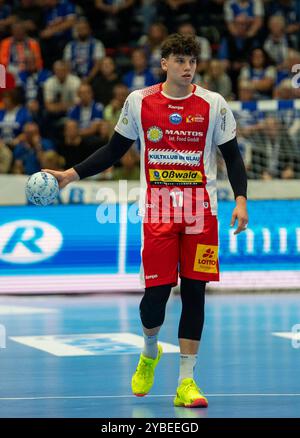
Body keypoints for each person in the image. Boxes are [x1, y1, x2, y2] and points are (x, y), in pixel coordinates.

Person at [43, 34, 248, 408]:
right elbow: (113, 150)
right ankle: (150, 350)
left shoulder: (213, 104)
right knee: (155, 299)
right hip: (158, 212)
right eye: (180, 60)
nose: (188, 67)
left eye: (193, 61)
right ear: (164, 64)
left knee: (196, 292)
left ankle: (187, 380)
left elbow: (232, 157)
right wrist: (71, 174)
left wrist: (240, 199)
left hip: (202, 212)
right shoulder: (139, 102)